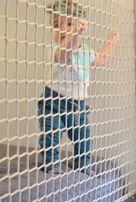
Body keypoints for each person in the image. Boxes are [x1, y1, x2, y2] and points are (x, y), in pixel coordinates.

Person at [37, 0, 119, 174]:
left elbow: (102, 59)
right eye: (56, 24)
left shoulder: (86, 52)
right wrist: (74, 34)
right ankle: (51, 163)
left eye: (68, 23)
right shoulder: (55, 48)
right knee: (51, 134)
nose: (61, 29)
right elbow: (65, 52)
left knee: (83, 138)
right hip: (53, 102)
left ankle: (82, 163)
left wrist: (111, 41)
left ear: (80, 27)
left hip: (78, 107)